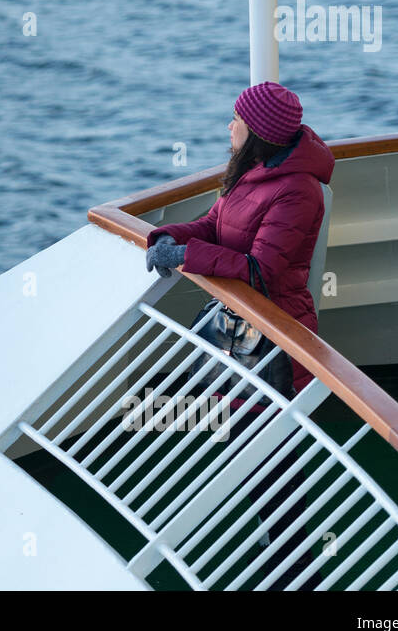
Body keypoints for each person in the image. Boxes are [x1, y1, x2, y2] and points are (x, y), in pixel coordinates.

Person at [143, 81, 335, 590]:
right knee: (257, 465)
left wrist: (184, 258)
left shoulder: (297, 190)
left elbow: (259, 272)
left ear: (257, 133)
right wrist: (167, 237)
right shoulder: (253, 173)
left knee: (273, 471)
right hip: (242, 341)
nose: (228, 126)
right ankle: (286, 568)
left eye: (235, 119)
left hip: (272, 343)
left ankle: (297, 575)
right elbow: (214, 224)